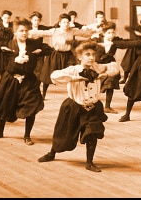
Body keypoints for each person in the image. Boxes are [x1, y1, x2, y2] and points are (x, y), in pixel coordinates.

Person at [37, 41, 119, 172]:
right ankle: (52, 153)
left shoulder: (97, 67)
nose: (92, 57)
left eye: (93, 54)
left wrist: (103, 74)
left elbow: (115, 67)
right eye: (87, 54)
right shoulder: (74, 69)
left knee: (93, 132)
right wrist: (76, 78)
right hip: (74, 107)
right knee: (63, 134)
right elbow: (54, 76)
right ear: (80, 57)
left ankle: (89, 162)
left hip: (93, 108)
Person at [0, 18, 54, 145]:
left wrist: (35, 53)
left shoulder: (33, 44)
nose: (24, 33)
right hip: (10, 79)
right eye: (21, 31)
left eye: (26, 31)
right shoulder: (8, 44)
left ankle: (27, 136)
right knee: (5, 104)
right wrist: (11, 55)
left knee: (32, 105)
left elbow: (49, 50)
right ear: (15, 32)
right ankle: (0, 131)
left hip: (28, 79)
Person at [29, 13, 95, 99]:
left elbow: (84, 34)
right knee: (48, 75)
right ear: (60, 23)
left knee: (75, 73)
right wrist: (28, 32)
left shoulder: (72, 30)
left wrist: (93, 30)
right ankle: (43, 95)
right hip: (56, 55)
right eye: (64, 22)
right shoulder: (55, 31)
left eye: (67, 22)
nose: (66, 24)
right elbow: (41, 33)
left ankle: (77, 94)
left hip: (69, 55)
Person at [93, 21, 122, 114]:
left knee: (111, 83)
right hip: (98, 65)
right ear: (104, 33)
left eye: (113, 32)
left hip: (110, 65)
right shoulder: (97, 40)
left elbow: (127, 43)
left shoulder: (116, 41)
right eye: (109, 33)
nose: (111, 35)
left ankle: (107, 106)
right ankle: (92, 104)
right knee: (94, 85)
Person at [119, 14, 141, 84]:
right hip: (133, 49)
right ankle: (125, 79)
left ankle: (138, 80)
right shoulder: (138, 28)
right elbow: (127, 28)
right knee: (128, 63)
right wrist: (135, 32)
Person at [0, 10, 14, 77]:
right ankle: (2, 82)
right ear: (2, 17)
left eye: (8, 18)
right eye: (5, 18)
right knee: (1, 66)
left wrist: (1, 29)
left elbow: (12, 30)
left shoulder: (11, 25)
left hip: (9, 46)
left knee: (9, 66)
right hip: (0, 48)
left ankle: (6, 82)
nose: (7, 19)